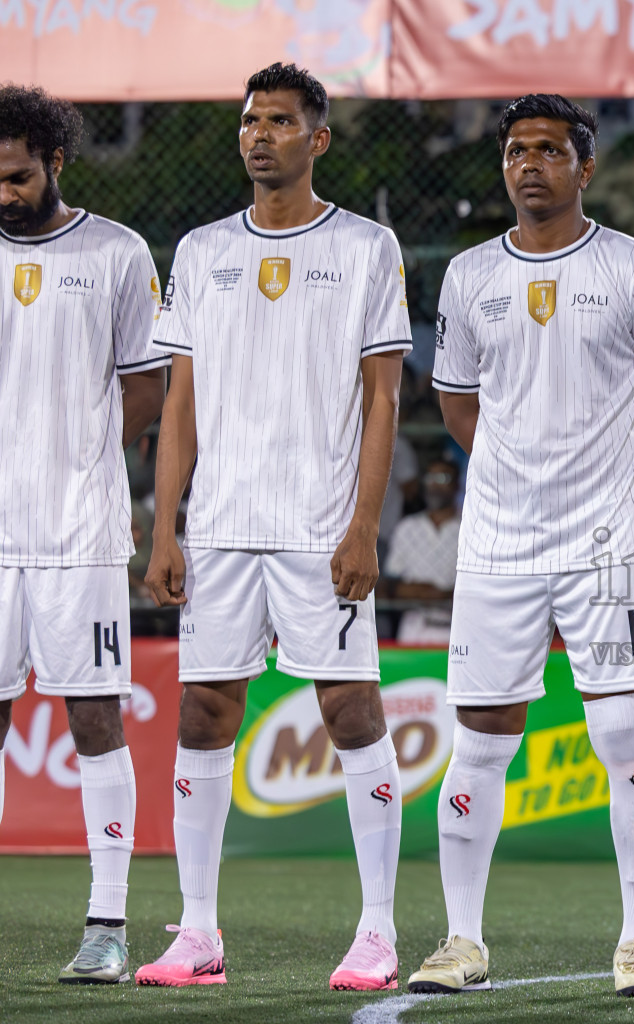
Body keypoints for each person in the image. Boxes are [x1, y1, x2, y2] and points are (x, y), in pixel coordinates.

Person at [408, 94, 634, 997]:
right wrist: (512, 470)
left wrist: (631, 495)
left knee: (624, 731)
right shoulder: (467, 275)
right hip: (499, 542)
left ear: (586, 165)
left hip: (605, 544)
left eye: (547, 150)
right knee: (482, 738)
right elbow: (459, 402)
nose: (528, 164)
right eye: (515, 150)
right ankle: (462, 940)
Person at [139, 63, 412, 990]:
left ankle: (377, 930)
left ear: (318, 139)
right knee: (204, 711)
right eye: (251, 121)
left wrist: (364, 523)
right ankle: (201, 933)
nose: (260, 135)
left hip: (318, 525)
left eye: (281, 122)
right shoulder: (201, 248)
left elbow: (383, 398)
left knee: (350, 708)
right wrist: (165, 526)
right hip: (220, 526)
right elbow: (181, 400)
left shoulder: (369, 246)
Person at [0, 83, 167, 984]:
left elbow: (144, 389)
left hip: (80, 534)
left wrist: (81, 461)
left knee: (93, 716)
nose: (1, 196)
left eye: (16, 178)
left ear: (56, 162)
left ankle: (107, 923)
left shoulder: (119, 253)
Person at [385, 460, 461, 645]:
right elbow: (389, 585)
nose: (434, 484)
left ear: (457, 484)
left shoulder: (469, 527)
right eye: (430, 477)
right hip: (413, 626)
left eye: (442, 478)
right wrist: (423, 591)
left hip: (457, 626)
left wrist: (442, 595)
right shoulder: (406, 527)